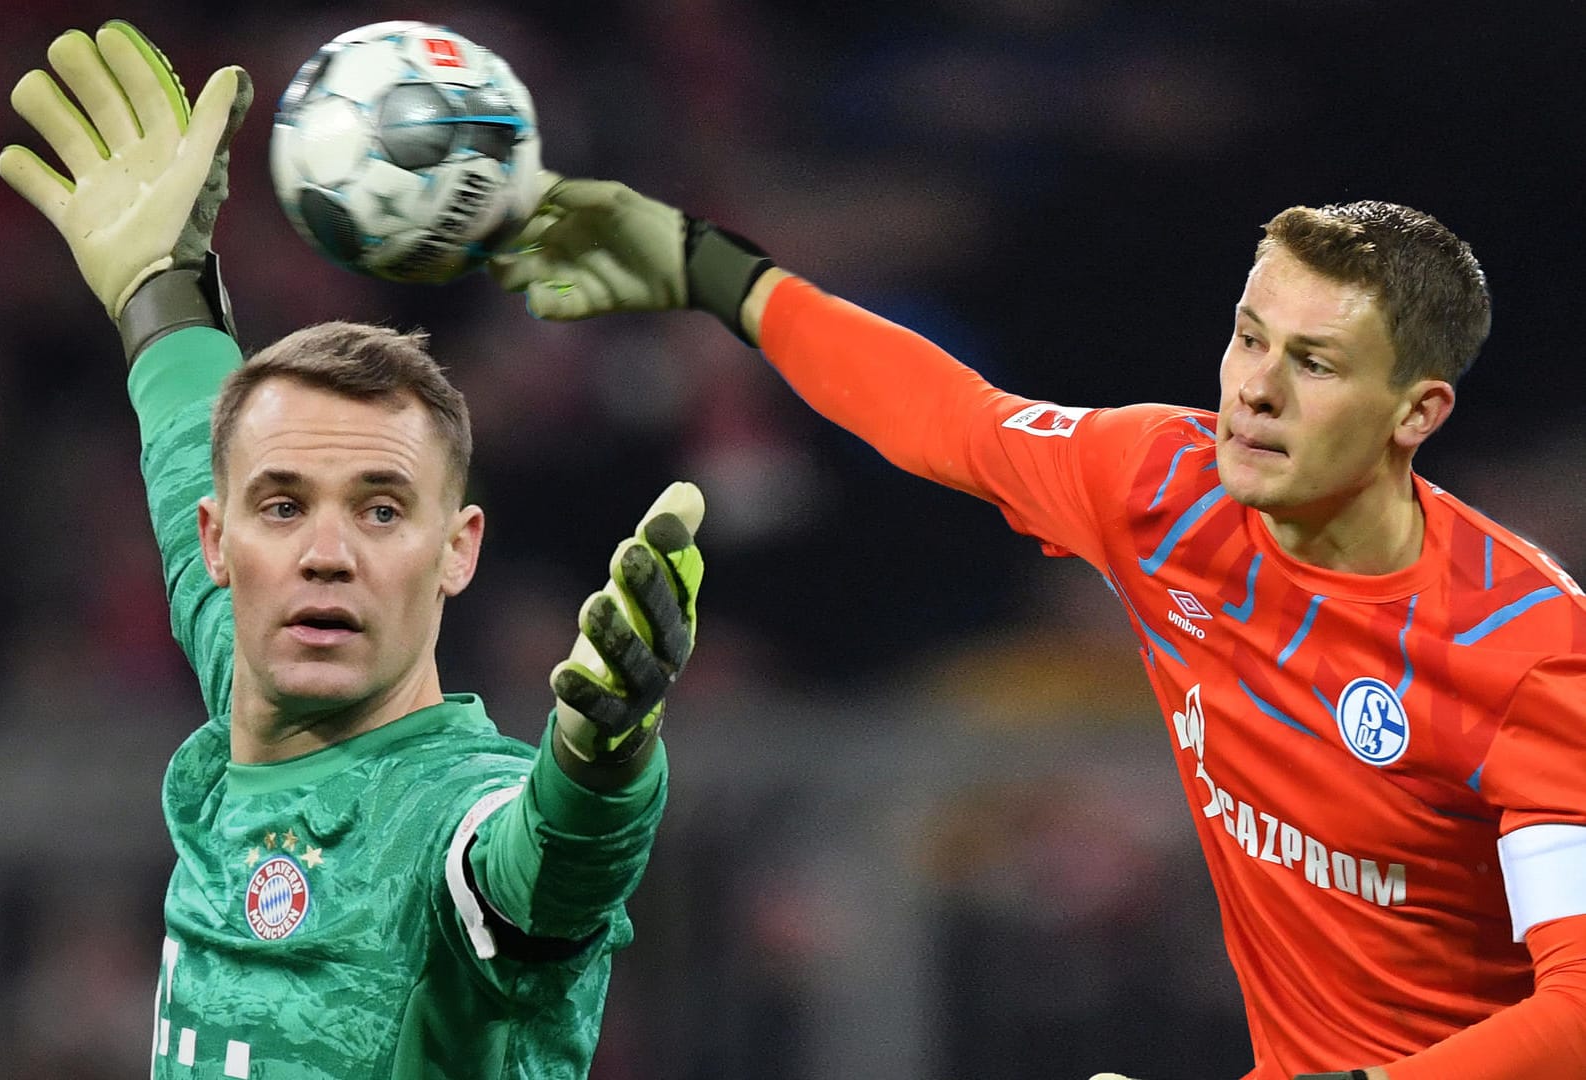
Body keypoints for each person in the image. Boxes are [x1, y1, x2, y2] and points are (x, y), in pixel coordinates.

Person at [484, 181, 1586, 1072]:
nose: (1254, 390)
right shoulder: (1165, 486)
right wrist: (706, 266)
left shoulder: (1525, 652)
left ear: (1417, 412)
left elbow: (1579, 1009)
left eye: (1314, 365)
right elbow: (939, 415)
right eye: (1249, 339)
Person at [0, 23, 707, 1079]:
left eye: (380, 510)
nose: (326, 551)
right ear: (219, 544)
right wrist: (160, 287)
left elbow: (538, 870)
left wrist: (596, 772)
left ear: (456, 551)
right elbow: (194, 450)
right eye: (283, 508)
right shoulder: (248, 673)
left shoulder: (442, 809)